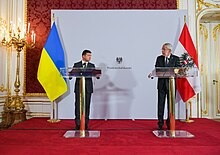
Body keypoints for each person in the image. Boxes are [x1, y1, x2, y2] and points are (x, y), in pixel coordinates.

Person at [154, 43, 180, 130]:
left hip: (171, 86)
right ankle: (160, 124)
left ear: (169, 50)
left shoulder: (176, 59)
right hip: (161, 85)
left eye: (164, 49)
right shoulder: (159, 58)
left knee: (170, 106)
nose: (162, 51)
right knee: (160, 105)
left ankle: (170, 123)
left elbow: (178, 71)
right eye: (162, 49)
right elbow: (157, 70)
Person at [73, 49, 97, 130]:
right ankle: (78, 124)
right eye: (88, 55)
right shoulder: (76, 64)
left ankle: (85, 124)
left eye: (90, 55)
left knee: (87, 106)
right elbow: (71, 74)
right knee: (77, 106)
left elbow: (96, 75)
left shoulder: (92, 65)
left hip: (88, 89)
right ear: (83, 56)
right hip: (78, 88)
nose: (90, 57)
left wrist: (97, 74)